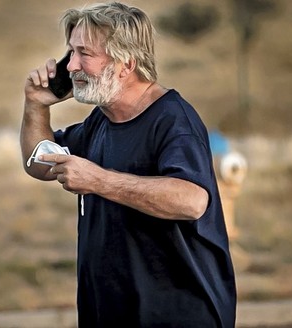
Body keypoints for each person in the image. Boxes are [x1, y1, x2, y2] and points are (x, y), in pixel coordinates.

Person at [20, 2, 237, 327]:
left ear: (126, 63)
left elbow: (192, 201)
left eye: (84, 54)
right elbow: (39, 162)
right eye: (70, 52)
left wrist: (99, 181)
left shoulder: (173, 120)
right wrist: (35, 105)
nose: (71, 65)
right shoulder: (100, 122)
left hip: (175, 317)